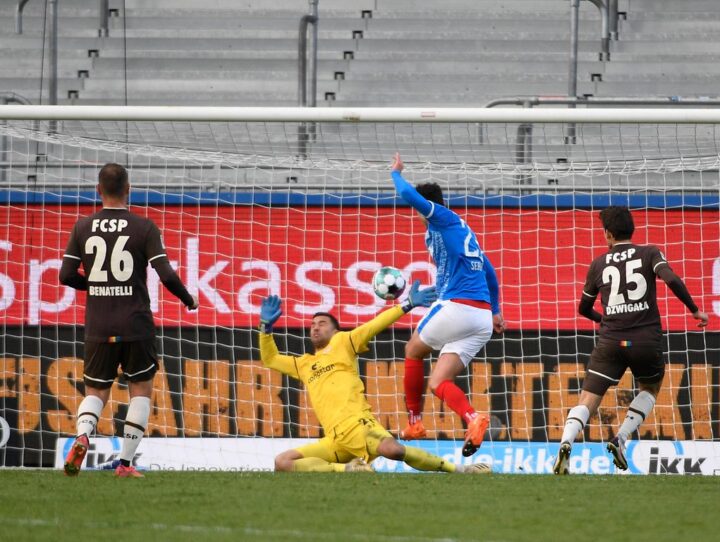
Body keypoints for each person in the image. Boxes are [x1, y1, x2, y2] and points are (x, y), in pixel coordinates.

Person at [257, 283, 491, 474]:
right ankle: (348, 469)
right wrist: (265, 328)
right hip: (334, 440)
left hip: (359, 426)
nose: (315, 328)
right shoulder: (304, 364)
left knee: (394, 450)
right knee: (282, 462)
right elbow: (271, 359)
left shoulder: (344, 342)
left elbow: (374, 325)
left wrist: (407, 304)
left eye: (322, 324)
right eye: (312, 325)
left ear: (336, 330)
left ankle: (460, 470)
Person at [59, 163, 198, 478]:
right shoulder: (143, 227)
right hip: (136, 324)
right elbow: (166, 275)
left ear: (99, 190)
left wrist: (94, 284)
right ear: (128, 189)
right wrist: (188, 299)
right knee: (140, 390)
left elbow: (65, 275)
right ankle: (124, 464)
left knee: (95, 392)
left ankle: (83, 435)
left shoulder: (82, 227)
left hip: (99, 325)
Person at [554, 206, 708, 475]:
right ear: (631, 229)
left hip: (611, 342)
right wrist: (694, 309)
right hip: (645, 341)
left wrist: (604, 320)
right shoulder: (650, 252)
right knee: (650, 387)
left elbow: (583, 308)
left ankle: (566, 442)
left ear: (607, 234)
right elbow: (671, 278)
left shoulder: (599, 264)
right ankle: (620, 438)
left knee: (588, 398)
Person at [390, 153, 505, 457]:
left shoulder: (440, 216)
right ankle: (473, 418)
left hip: (460, 306)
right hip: (479, 318)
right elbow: (489, 271)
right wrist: (494, 310)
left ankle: (414, 422)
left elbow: (406, 194)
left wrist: (396, 173)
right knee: (439, 381)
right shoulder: (458, 232)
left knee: (412, 349)